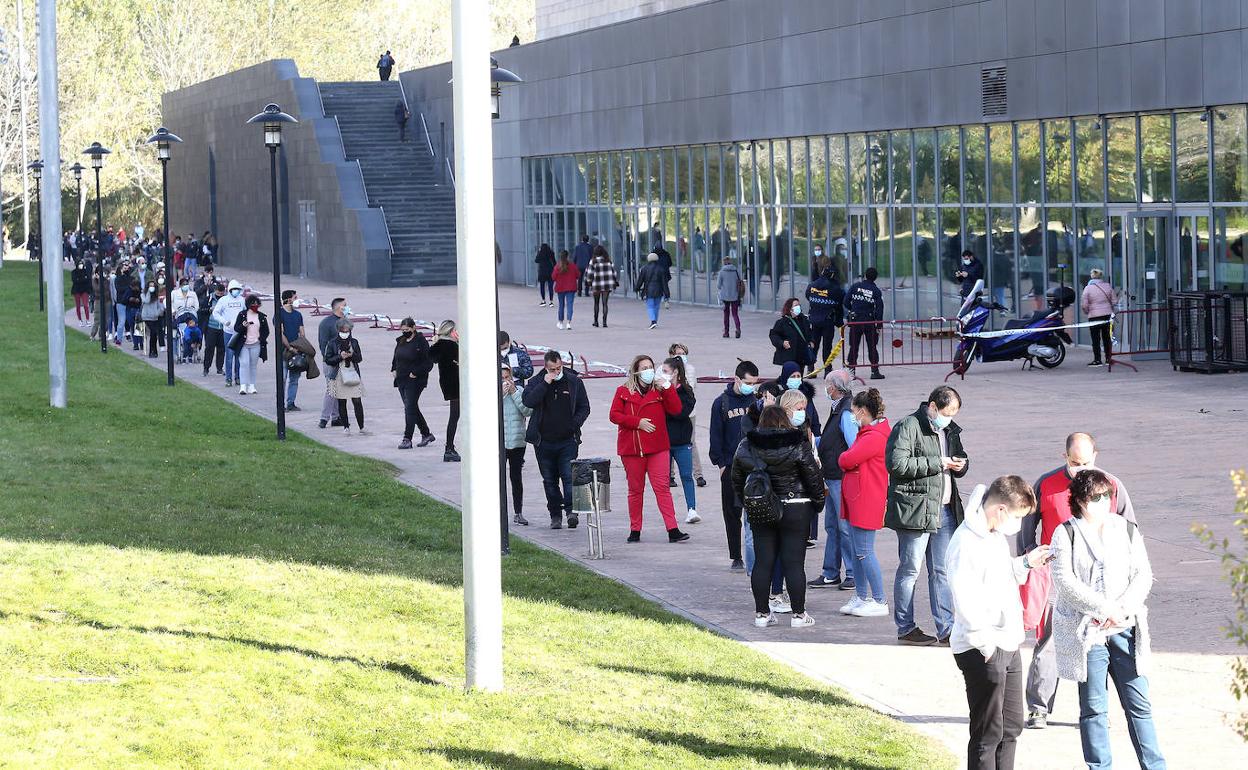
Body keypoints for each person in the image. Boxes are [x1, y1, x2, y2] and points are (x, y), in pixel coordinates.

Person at [1019, 432, 1137, 730]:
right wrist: (1032, 555)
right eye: (1074, 463)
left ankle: (1097, 709)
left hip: (1100, 580)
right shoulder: (1046, 484)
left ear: (1095, 457)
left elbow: (1130, 530)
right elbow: (1027, 529)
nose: (1080, 468)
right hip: (1057, 578)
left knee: (1099, 644)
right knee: (1049, 643)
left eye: (1085, 463)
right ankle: (1038, 708)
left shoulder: (1111, 486)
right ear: (1064, 457)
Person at [1051, 469, 1165, 769]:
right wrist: (1104, 609)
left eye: (1107, 496)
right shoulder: (1066, 532)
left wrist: (1122, 609)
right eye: (1095, 497)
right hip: (1087, 633)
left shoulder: (1125, 528)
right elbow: (1065, 582)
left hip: (1125, 628)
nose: (1103, 502)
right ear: (1079, 501)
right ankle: (1099, 766)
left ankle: (1154, 765)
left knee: (1139, 705)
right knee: (1093, 709)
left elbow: (1143, 574)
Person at [947, 476, 1050, 770]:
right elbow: (964, 596)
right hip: (981, 647)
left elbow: (1001, 576)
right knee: (987, 731)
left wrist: (1027, 563)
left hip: (1008, 641)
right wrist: (985, 645)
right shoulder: (967, 541)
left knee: (1011, 726)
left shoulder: (993, 535)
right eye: (1018, 517)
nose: (1017, 525)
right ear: (1001, 510)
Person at [886, 385, 970, 646]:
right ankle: (905, 627)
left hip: (943, 509)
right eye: (947, 412)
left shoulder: (950, 429)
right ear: (933, 406)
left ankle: (946, 628)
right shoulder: (908, 426)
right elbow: (897, 464)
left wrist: (960, 463)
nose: (950, 418)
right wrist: (939, 463)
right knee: (910, 570)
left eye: (954, 414)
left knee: (942, 571)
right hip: (915, 510)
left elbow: (960, 458)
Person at [731, 404, 826, 628]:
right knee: (794, 563)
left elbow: (736, 477)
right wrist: (818, 504)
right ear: (785, 420)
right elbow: (813, 477)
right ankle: (799, 615)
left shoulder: (748, 444)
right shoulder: (798, 442)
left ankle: (762, 614)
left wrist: (746, 502)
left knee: (763, 562)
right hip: (796, 506)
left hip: (762, 507)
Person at [608, 355, 690, 543]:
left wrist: (669, 389)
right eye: (644, 367)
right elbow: (614, 415)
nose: (649, 370)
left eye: (651, 367)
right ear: (636, 370)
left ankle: (673, 529)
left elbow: (676, 409)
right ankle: (635, 529)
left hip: (658, 448)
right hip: (632, 450)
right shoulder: (623, 391)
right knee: (635, 490)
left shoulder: (659, 390)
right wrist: (637, 423)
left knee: (662, 489)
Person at [836, 388, 891, 617]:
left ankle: (879, 599)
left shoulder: (874, 437)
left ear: (862, 411)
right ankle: (860, 596)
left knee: (865, 552)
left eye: (853, 411)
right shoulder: (870, 432)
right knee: (858, 551)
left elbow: (847, 458)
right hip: (859, 498)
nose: (852, 416)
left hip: (866, 499)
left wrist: (845, 459)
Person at [523, 350, 591, 528]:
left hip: (567, 440)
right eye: (553, 369)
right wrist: (545, 384)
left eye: (559, 368)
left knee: (569, 477)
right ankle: (555, 514)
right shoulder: (537, 382)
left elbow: (584, 407)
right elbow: (528, 402)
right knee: (549, 480)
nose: (556, 372)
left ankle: (571, 512)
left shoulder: (573, 381)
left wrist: (574, 424)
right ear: (546, 368)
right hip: (543, 441)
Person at [708, 360, 760, 571]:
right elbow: (715, 435)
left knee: (754, 511)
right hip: (730, 465)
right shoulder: (721, 403)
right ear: (737, 379)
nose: (751, 386)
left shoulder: (757, 402)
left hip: (754, 466)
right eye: (748, 382)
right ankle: (736, 555)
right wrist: (720, 463)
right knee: (731, 512)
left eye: (755, 383)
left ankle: (753, 553)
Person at [810, 370, 858, 590]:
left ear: (835, 388)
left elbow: (853, 445)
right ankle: (830, 572)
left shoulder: (846, 412)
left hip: (840, 477)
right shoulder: (838, 408)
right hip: (831, 476)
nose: (826, 388)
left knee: (844, 526)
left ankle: (851, 572)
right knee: (832, 525)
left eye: (828, 384)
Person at [661, 356, 699, 525]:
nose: (662, 374)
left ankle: (692, 509)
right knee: (663, 481)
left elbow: (680, 412)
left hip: (682, 441)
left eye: (665, 371)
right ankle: (669, 515)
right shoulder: (659, 390)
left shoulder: (686, 391)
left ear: (675, 372)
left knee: (686, 476)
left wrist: (670, 392)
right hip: (664, 442)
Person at [666, 342, 706, 488]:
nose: (681, 356)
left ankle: (698, 474)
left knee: (691, 442)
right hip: (670, 413)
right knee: (669, 443)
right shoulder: (665, 369)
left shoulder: (690, 369)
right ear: (671, 355)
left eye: (683, 354)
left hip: (689, 413)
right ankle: (670, 475)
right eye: (678, 353)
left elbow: (689, 386)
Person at [392, 318, 435, 449]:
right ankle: (426, 434)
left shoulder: (421, 342)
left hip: (415, 380)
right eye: (403, 330)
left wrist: (415, 372)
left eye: (407, 330)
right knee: (411, 407)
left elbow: (428, 362)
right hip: (401, 378)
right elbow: (396, 357)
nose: (405, 332)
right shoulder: (401, 341)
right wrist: (393, 369)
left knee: (409, 408)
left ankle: (407, 438)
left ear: (413, 328)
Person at [501, 363, 533, 526]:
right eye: (502, 378)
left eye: (508, 378)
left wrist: (513, 393)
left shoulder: (519, 391)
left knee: (516, 477)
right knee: (497, 478)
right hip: (499, 442)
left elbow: (527, 411)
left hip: (517, 441)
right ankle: (497, 511)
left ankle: (518, 512)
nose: (506, 381)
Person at [324, 319, 366, 434]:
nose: (345, 332)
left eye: (347, 330)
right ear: (338, 330)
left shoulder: (354, 342)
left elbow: (359, 358)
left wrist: (352, 355)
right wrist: (340, 356)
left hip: (352, 373)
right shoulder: (332, 343)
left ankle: (361, 427)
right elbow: (328, 360)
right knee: (342, 402)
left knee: (357, 400)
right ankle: (346, 427)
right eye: (343, 330)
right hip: (339, 374)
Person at [430, 320, 462, 462]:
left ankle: (449, 447)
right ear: (451, 331)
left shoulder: (439, 345)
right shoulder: (452, 345)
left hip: (447, 383)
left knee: (454, 416)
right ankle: (449, 447)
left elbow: (431, 357)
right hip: (456, 383)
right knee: (455, 417)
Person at [845, 267, 885, 380]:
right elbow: (879, 308)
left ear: (865, 276)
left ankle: (851, 372)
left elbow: (846, 301)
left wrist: (853, 309)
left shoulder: (855, 286)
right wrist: (879, 324)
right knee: (872, 346)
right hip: (869, 321)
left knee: (853, 346)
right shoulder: (875, 291)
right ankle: (874, 371)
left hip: (855, 321)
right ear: (875, 278)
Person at [805, 264, 845, 369]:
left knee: (814, 344)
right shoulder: (835, 288)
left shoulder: (812, 285)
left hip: (814, 319)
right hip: (827, 320)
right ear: (833, 275)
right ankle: (827, 369)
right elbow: (840, 305)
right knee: (827, 347)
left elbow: (807, 296)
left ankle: (810, 368)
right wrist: (839, 323)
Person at [318, 298, 349, 428]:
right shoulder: (326, 323)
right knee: (331, 389)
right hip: (331, 362)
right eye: (344, 306)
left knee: (339, 390)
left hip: (343, 360)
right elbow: (323, 343)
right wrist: (331, 358)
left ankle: (336, 417)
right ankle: (324, 418)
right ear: (338, 308)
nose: (347, 307)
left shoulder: (344, 322)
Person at [230, 294, 270, 395]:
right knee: (244, 363)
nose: (255, 305)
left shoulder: (261, 316)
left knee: (253, 365)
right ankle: (243, 386)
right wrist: (243, 326)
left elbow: (266, 330)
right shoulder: (242, 314)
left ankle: (252, 385)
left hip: (256, 344)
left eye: (257, 304)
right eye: (253, 304)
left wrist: (261, 339)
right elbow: (236, 328)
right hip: (243, 344)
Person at [212, 280, 248, 387]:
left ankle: (238, 377)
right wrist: (224, 321)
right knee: (229, 356)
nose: (236, 291)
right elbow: (216, 313)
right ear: (230, 290)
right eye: (234, 290)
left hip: (239, 331)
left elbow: (246, 312)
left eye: (237, 290)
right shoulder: (223, 300)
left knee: (238, 356)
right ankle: (228, 378)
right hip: (228, 331)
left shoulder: (242, 300)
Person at [1081, 268, 1117, 367]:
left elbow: (1084, 304)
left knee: (1095, 339)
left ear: (1092, 276)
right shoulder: (1108, 286)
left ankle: (1097, 360)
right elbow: (1114, 301)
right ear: (1101, 276)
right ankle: (1108, 359)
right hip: (1107, 316)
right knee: (1107, 338)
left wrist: (1087, 312)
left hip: (1094, 317)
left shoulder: (1088, 288)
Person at [276, 290, 306, 409]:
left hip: (297, 351)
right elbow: (281, 333)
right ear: (289, 300)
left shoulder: (298, 315)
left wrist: (299, 347)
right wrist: (290, 347)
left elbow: (302, 333)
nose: (296, 299)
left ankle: (290, 403)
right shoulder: (279, 314)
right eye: (295, 297)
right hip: (284, 351)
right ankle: (281, 404)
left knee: (294, 379)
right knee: (282, 379)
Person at [769, 298, 816, 374]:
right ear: (790, 309)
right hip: (789, 356)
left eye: (799, 305)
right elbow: (774, 335)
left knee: (799, 376)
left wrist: (811, 341)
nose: (798, 307)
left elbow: (809, 332)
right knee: (790, 376)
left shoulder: (804, 320)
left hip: (802, 355)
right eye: (796, 305)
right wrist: (782, 343)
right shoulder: (782, 322)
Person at [585, 245, 619, 327]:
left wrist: (588, 281)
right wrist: (614, 281)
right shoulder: (608, 261)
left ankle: (596, 321)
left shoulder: (593, 261)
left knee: (596, 303)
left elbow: (589, 273)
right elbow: (614, 273)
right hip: (607, 285)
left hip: (596, 284)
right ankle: (604, 322)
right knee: (605, 303)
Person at [635, 252, 667, 329]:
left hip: (648, 290)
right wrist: (667, 294)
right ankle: (655, 321)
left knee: (650, 306)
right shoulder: (661, 269)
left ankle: (653, 321)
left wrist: (637, 288)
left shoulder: (644, 268)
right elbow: (664, 283)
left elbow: (640, 280)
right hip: (659, 290)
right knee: (656, 306)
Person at [171, 277, 199, 363]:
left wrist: (193, 310)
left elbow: (197, 305)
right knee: (175, 334)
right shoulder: (174, 293)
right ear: (180, 285)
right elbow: (167, 302)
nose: (185, 286)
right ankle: (177, 354)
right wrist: (173, 311)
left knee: (194, 331)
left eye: (187, 284)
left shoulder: (192, 294)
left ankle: (193, 352)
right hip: (179, 314)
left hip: (191, 314)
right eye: (183, 284)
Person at [201, 282, 227, 376]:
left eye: (222, 293)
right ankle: (206, 368)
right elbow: (201, 310)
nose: (220, 295)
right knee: (209, 348)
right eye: (218, 293)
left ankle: (219, 368)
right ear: (215, 291)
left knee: (221, 349)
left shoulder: (226, 299)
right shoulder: (209, 299)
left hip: (223, 327)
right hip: (211, 327)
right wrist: (209, 310)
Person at [717, 255, 744, 338]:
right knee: (735, 314)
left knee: (726, 315)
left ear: (724, 262)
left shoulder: (721, 272)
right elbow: (740, 281)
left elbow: (718, 285)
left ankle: (726, 332)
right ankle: (738, 329)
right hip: (735, 295)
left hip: (725, 296)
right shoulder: (736, 271)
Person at [552, 249, 579, 330]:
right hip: (571, 287)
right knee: (570, 305)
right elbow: (578, 275)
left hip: (560, 288)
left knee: (561, 305)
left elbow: (553, 277)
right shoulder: (572, 265)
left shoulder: (557, 266)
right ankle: (568, 322)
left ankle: (560, 322)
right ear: (568, 256)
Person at [139, 279, 166, 358]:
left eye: (153, 286)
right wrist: (149, 293)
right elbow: (146, 301)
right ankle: (151, 351)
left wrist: (157, 313)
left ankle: (154, 350)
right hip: (146, 317)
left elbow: (161, 306)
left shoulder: (157, 296)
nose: (152, 287)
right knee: (153, 332)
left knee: (154, 334)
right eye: (150, 286)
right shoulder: (143, 294)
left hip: (155, 317)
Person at [70, 261, 92, 327]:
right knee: (78, 306)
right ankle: (80, 320)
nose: (81, 265)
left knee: (85, 305)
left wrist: (80, 280)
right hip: (76, 290)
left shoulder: (86, 271)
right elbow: (75, 280)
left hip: (85, 290)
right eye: (80, 264)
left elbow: (88, 279)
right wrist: (83, 279)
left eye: (82, 264)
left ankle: (88, 320)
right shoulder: (74, 272)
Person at [653, 241, 674, 308]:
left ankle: (657, 299)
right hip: (665, 273)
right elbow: (670, 263)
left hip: (656, 273)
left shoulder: (653, 254)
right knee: (665, 286)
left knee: (657, 286)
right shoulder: (666, 254)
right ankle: (666, 299)